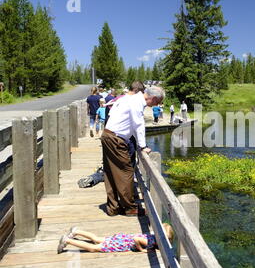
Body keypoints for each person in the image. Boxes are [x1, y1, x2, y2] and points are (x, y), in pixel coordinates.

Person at [101, 81, 165, 217]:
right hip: (116, 139)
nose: (156, 105)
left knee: (111, 172)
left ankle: (113, 208)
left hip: (108, 134)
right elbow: (138, 125)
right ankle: (130, 208)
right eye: (157, 102)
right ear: (153, 98)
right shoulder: (137, 103)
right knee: (126, 171)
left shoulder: (129, 98)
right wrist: (143, 146)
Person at [57, 224, 174, 254]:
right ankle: (67, 240)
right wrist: (141, 250)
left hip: (120, 238)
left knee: (96, 239)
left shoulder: (153, 235)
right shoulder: (151, 241)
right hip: (121, 244)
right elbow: (136, 239)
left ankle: (76, 231)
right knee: (94, 248)